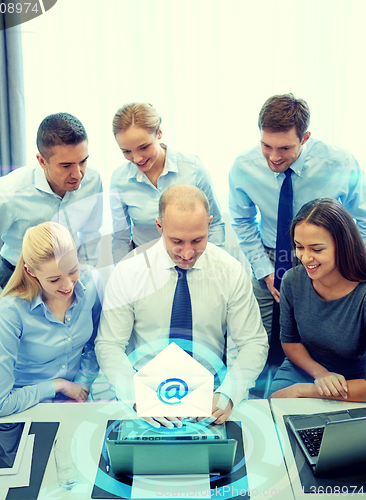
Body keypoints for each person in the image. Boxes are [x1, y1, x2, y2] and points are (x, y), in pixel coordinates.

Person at [95, 184, 268, 427]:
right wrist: (138, 398)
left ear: (209, 225)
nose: (187, 253)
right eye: (176, 241)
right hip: (145, 398)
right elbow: (109, 345)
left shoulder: (230, 271)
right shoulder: (128, 271)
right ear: (159, 227)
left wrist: (228, 395)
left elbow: (253, 342)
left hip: (210, 400)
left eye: (197, 240)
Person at [229, 94, 366, 338]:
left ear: (305, 138)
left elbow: (364, 219)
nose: (273, 157)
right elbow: (242, 220)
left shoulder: (339, 163)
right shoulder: (244, 166)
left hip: (326, 258)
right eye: (266, 146)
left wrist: (348, 263)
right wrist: (264, 270)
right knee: (258, 336)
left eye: (284, 148)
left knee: (315, 337)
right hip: (270, 256)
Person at [0, 112, 103, 317]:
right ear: (42, 161)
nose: (78, 174)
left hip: (70, 278)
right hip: (21, 280)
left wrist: (86, 276)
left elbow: (91, 232)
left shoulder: (93, 179)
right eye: (66, 165)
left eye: (83, 161)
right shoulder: (8, 193)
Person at [0, 222, 102, 418]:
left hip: (73, 403)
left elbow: (95, 344)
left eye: (73, 270)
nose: (68, 286)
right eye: (54, 279)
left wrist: (80, 386)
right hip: (24, 407)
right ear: (30, 271)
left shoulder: (91, 283)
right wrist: (57, 386)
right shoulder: (12, 309)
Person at [269, 199, 366, 402]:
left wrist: (305, 390)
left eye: (316, 249)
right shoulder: (292, 280)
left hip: (357, 379)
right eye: (299, 247)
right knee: (276, 405)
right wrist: (320, 374)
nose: (304, 258)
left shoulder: (362, 294)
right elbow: (290, 342)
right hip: (304, 367)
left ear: (343, 245)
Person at [110, 103, 225, 264]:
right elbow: (121, 238)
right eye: (126, 151)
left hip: (195, 262)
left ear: (159, 133)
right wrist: (121, 275)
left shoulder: (193, 168)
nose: (136, 158)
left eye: (143, 147)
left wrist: (213, 266)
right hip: (147, 267)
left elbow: (215, 224)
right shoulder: (119, 180)